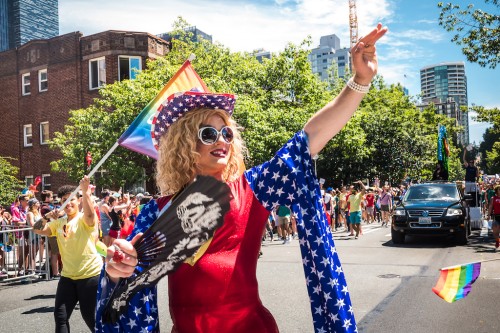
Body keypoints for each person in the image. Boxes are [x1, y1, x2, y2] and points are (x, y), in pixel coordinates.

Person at [96, 24, 387, 333]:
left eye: (227, 132)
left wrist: (360, 81)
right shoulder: (158, 211)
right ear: (183, 144)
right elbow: (130, 278)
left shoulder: (253, 188)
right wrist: (117, 271)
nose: (222, 140)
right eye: (208, 133)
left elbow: (309, 137)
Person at [33, 176, 103, 332]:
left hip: (90, 276)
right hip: (68, 277)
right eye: (64, 200)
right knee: (60, 317)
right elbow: (37, 229)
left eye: (72, 198)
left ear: (78, 201)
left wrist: (85, 192)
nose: (68, 202)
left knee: (90, 318)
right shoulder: (58, 222)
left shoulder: (84, 219)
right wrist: (46, 217)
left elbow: (90, 215)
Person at [487, 185, 500, 251]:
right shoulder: (493, 198)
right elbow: (490, 207)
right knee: (495, 232)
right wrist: (488, 215)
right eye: (499, 189)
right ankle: (497, 241)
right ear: (497, 191)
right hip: (496, 217)